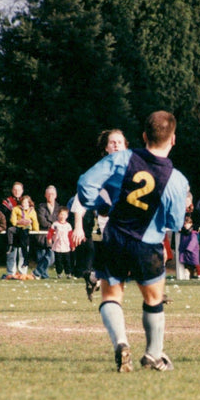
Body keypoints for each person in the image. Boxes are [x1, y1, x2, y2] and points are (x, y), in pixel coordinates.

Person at [77, 110, 188, 372]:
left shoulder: (122, 158)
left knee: (111, 296)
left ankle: (121, 342)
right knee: (153, 300)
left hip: (115, 237)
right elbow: (175, 223)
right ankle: (153, 354)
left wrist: (102, 205)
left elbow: (85, 183)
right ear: (173, 140)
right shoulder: (177, 180)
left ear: (143, 136)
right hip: (148, 245)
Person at [72, 128, 128, 299]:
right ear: (106, 148)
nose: (116, 145)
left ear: (126, 146)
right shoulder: (100, 171)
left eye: (120, 141)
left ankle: (94, 278)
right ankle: (154, 294)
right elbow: (80, 198)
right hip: (111, 223)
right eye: (112, 142)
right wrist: (78, 226)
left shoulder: (134, 167)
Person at [8, 195, 39, 278]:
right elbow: (13, 221)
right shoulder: (16, 209)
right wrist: (20, 222)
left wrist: (35, 229)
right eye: (23, 202)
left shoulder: (32, 211)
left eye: (26, 202)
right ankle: (11, 272)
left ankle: (23, 271)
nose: (24, 204)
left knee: (23, 251)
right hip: (17, 230)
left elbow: (35, 221)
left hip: (26, 231)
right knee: (13, 254)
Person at [34, 185, 58, 279]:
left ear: (55, 195)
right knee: (41, 257)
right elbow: (42, 221)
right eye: (48, 194)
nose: (50, 196)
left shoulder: (59, 208)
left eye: (52, 194)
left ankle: (36, 272)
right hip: (42, 236)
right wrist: (53, 225)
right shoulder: (41, 207)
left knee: (51, 257)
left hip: (54, 236)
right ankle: (44, 276)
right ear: (45, 195)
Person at [48, 207, 74, 278]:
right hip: (57, 245)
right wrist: (49, 238)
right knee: (58, 261)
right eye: (61, 214)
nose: (62, 216)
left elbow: (70, 236)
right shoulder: (55, 224)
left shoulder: (68, 225)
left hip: (66, 246)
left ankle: (68, 273)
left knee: (67, 260)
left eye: (64, 214)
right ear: (58, 215)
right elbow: (50, 232)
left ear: (67, 216)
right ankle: (59, 273)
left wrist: (72, 245)